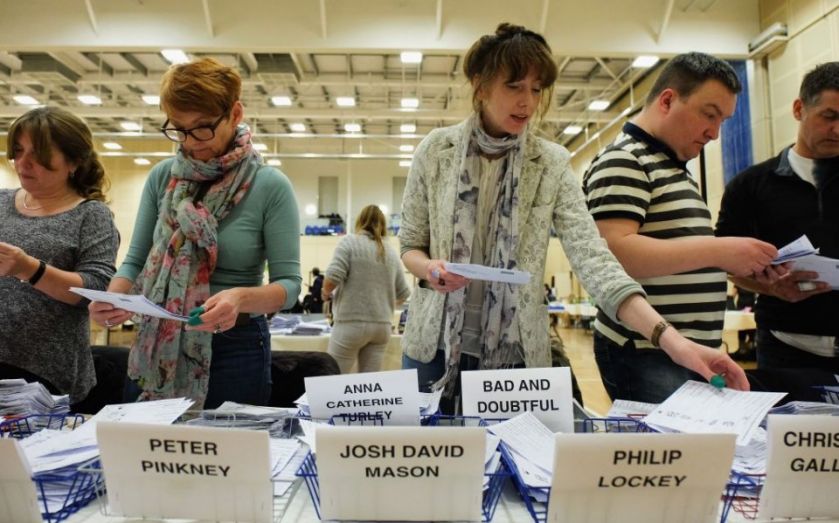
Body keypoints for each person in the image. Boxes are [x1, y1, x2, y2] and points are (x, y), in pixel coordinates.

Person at [398, 24, 749, 411]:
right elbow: (410, 245)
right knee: (436, 448)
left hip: (516, 356)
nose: (527, 102)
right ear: (481, 85)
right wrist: (429, 268)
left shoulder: (550, 163)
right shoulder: (435, 151)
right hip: (432, 348)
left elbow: (594, 258)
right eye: (514, 86)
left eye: (537, 89)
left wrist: (671, 339)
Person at [89, 58, 302, 409]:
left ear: (235, 114)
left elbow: (289, 286)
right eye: (179, 129)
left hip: (235, 348)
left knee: (224, 443)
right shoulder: (163, 177)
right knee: (146, 441)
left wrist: (240, 298)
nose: (190, 142)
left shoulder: (269, 185)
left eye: (202, 128)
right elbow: (135, 261)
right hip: (157, 343)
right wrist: (114, 298)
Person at [581, 52, 778, 403]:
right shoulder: (625, 159)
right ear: (668, 100)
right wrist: (720, 250)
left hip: (682, 350)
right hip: (646, 349)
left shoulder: (671, 168)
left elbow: (678, 258)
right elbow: (614, 254)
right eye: (709, 114)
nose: (715, 133)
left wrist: (741, 266)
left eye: (722, 121)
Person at [716, 62, 839, 372]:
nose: (838, 130)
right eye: (829, 116)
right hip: (786, 348)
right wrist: (771, 287)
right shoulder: (749, 186)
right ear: (799, 109)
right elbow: (726, 262)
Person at [0, 106, 119, 404]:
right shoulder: (1, 202)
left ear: (74, 161)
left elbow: (96, 288)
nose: (23, 163)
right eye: (18, 151)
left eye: (38, 154)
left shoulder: (91, 215)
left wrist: (30, 268)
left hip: (44, 374)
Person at [322, 205, 410, 373]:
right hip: (382, 327)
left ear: (360, 221)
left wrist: (325, 293)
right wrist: (383, 304)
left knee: (333, 377)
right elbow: (404, 293)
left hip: (350, 323)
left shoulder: (349, 242)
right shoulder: (391, 252)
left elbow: (332, 278)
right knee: (369, 382)